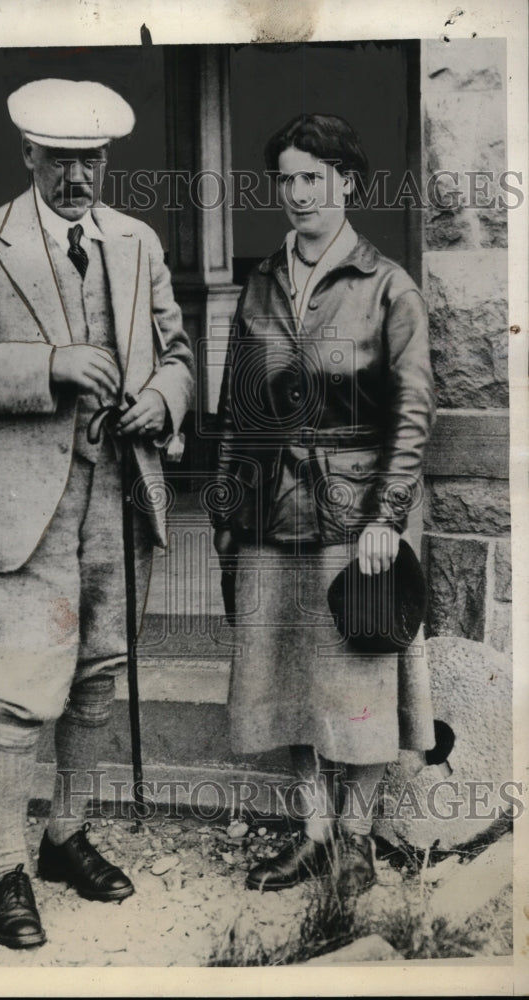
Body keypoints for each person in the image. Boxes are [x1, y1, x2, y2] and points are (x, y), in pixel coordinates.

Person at [0, 78, 194, 948]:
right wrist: (52, 363)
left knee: (97, 676)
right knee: (18, 692)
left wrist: (161, 399)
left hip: (117, 490)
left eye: (92, 161)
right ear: (28, 156)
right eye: (61, 161)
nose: (79, 178)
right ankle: (6, 866)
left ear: (106, 160)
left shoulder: (138, 242)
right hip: (21, 501)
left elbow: (178, 352)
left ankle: (64, 835)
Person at [212, 113, 436, 895]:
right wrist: (225, 510)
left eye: (314, 176)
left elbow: (411, 414)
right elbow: (237, 405)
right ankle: (309, 832)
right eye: (287, 178)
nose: (299, 193)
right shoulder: (263, 281)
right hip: (272, 510)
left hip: (354, 513)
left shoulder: (387, 285)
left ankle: (354, 841)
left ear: (347, 182)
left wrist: (386, 516)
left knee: (359, 676)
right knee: (289, 675)